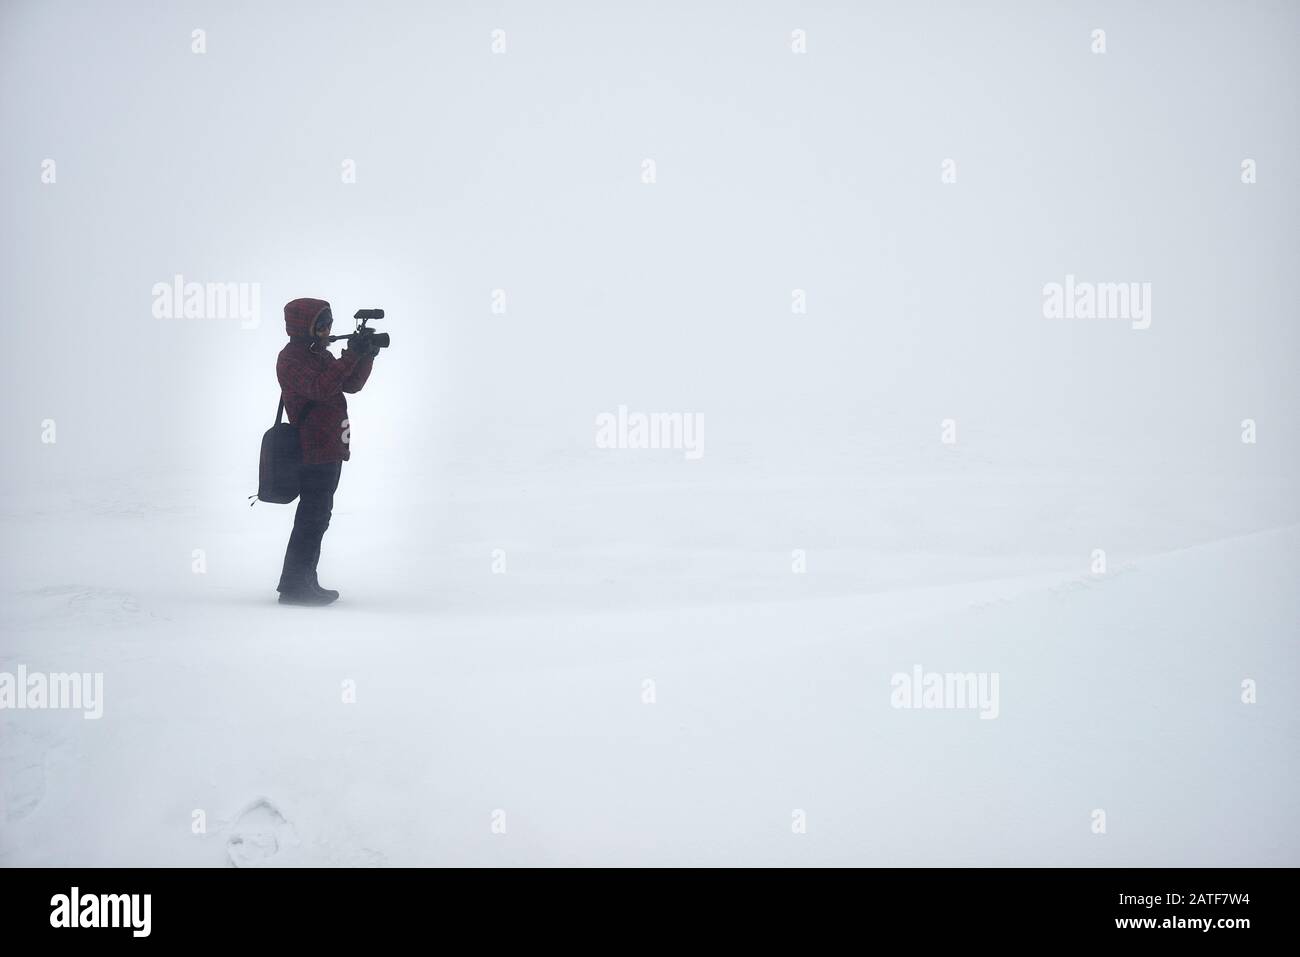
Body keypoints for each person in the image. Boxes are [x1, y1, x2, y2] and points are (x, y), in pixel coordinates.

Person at [275, 297, 379, 605]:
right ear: (303, 327)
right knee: (311, 516)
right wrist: (351, 356)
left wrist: (365, 356)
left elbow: (351, 384)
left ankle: (306, 579)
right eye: (322, 323)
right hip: (310, 447)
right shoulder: (291, 359)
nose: (327, 329)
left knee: (319, 516)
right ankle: (294, 585)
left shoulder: (318, 355)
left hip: (330, 445)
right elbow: (321, 388)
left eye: (329, 322)